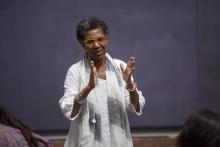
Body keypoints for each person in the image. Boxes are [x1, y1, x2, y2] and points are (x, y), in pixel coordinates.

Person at [59, 16, 145, 147]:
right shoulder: (75, 71)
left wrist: (130, 85)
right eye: (90, 41)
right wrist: (88, 88)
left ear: (107, 38)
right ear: (82, 44)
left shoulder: (120, 67)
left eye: (100, 39)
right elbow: (69, 109)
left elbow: (135, 106)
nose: (96, 45)